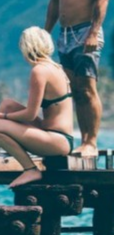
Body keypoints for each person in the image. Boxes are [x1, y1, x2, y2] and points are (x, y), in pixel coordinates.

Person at [44, 0, 112, 156]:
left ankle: (90, 142)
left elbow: (102, 0)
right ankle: (79, 140)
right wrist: (45, 34)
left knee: (86, 89)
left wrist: (93, 32)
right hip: (64, 33)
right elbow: (55, 0)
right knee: (72, 90)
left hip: (86, 31)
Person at [0, 27, 75, 187]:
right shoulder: (55, 67)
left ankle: (30, 170)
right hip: (57, 135)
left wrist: (4, 118)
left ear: (26, 47)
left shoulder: (39, 71)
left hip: (56, 141)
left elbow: (30, 115)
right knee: (8, 104)